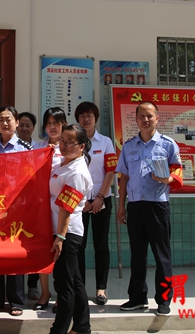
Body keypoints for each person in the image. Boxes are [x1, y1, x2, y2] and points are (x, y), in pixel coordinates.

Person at [116, 101, 183, 316]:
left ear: (157, 118)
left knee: (162, 254)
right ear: (136, 119)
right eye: (141, 116)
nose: (145, 120)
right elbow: (124, 177)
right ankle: (137, 298)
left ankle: (164, 300)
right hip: (135, 206)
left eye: (149, 116)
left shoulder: (167, 144)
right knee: (137, 254)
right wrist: (121, 206)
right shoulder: (129, 146)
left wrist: (167, 178)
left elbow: (178, 171)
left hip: (157, 206)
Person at [0, 106, 32, 317]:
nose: (5, 123)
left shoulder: (26, 149)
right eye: (1, 119)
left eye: (9, 119)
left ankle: (16, 301)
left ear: (17, 122)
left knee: (14, 254)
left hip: (17, 208)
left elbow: (31, 179)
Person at [48, 124, 93, 334]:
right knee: (74, 282)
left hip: (67, 233)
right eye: (62, 140)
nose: (64, 145)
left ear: (81, 146)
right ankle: (82, 327)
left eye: (70, 142)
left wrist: (60, 237)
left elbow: (66, 209)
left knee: (64, 285)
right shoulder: (65, 162)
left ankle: (59, 330)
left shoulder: (77, 172)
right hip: (61, 230)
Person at [74, 102, 117, 306]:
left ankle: (101, 288)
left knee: (101, 245)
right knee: (78, 246)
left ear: (95, 118)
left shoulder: (106, 142)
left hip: (102, 199)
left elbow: (111, 170)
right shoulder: (74, 141)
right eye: (82, 116)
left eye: (89, 116)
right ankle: (79, 288)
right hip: (79, 201)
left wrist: (99, 197)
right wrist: (83, 200)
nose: (86, 119)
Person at [30, 107, 67, 310]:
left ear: (63, 125)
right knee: (43, 250)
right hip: (40, 207)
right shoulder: (37, 147)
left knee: (60, 252)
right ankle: (45, 293)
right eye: (49, 123)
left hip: (62, 207)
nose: (52, 127)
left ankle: (61, 294)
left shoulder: (69, 146)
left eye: (56, 123)